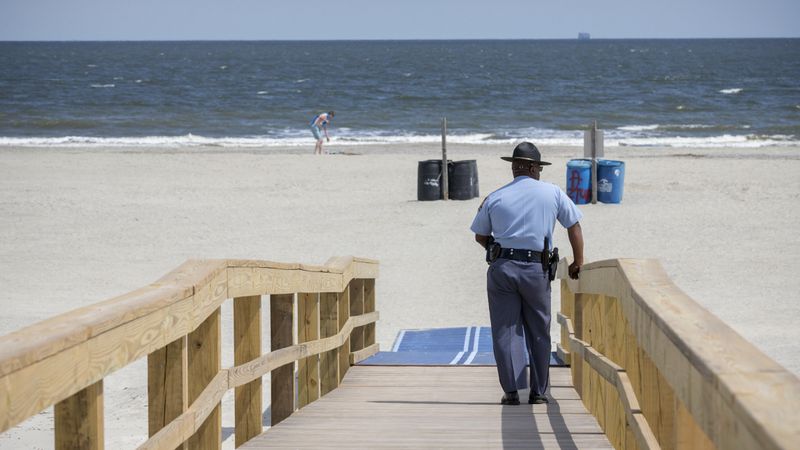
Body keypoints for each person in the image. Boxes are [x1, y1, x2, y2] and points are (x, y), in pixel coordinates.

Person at [470, 141, 584, 406]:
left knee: (505, 330)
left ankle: (511, 391)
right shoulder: (553, 193)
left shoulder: (495, 196)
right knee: (539, 330)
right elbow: (574, 225)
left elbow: (480, 235)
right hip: (537, 269)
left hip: (503, 268)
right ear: (535, 168)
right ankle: (538, 391)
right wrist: (578, 261)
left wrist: (496, 248)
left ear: (514, 167)